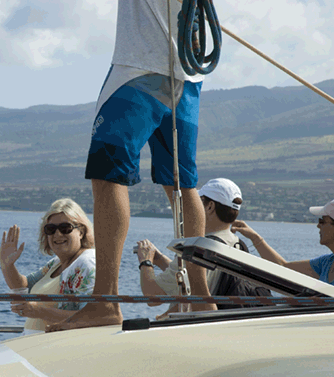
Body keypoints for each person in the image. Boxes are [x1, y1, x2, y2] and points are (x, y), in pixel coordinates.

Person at [47, 0, 211, 332]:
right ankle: (200, 297)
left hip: (139, 68)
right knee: (182, 184)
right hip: (186, 74)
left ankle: (105, 301)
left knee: (108, 176)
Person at [136, 178, 265, 316]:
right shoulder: (236, 244)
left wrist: (146, 262)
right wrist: (160, 259)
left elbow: (152, 296)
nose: (193, 208)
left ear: (210, 207)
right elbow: (194, 275)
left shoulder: (201, 249)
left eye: (197, 202)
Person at [232, 199, 334, 298]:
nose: (318, 225)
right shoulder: (326, 263)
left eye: (322, 221)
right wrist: (254, 237)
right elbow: (283, 267)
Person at [0, 198, 96, 335]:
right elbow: (24, 286)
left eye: (65, 228)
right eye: (51, 229)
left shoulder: (87, 263)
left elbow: (90, 317)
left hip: (54, 350)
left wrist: (39, 311)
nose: (57, 234)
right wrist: (7, 265)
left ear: (81, 232)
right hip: (37, 346)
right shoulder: (56, 263)